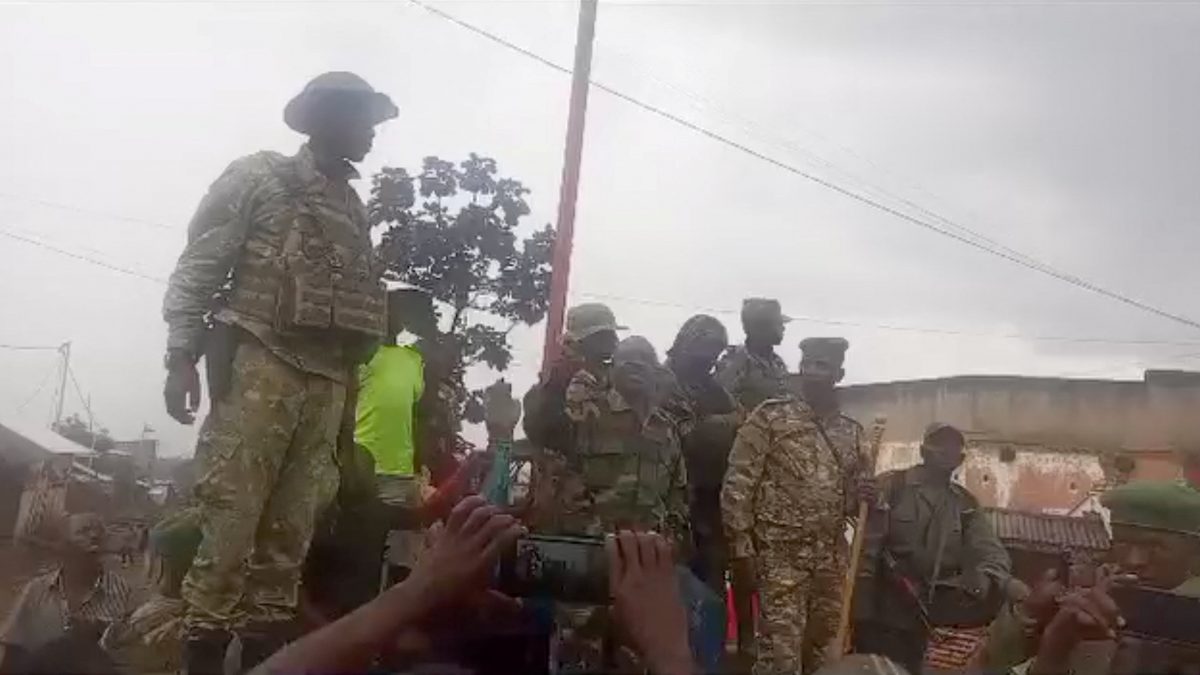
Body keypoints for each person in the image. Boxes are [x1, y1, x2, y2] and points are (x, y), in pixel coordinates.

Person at [161, 71, 398, 673]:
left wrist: (345, 406)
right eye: (362, 119)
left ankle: (265, 658)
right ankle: (202, 658)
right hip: (262, 362)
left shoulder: (351, 206)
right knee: (229, 528)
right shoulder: (259, 178)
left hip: (327, 381)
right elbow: (201, 265)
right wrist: (181, 356)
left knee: (289, 541)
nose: (371, 133)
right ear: (328, 118)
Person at [722, 337, 867, 675]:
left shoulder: (853, 433)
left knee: (823, 657)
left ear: (839, 373)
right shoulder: (770, 418)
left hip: (829, 562)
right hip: (780, 559)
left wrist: (865, 495)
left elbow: (849, 504)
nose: (814, 373)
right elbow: (738, 485)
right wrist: (741, 549)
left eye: (824, 366)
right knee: (780, 659)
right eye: (809, 364)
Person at [991, 480, 1200, 675]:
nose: (1134, 560)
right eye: (1123, 542)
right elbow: (991, 665)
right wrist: (1033, 620)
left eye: (1157, 546)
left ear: (1193, 550)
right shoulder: (1094, 602)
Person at [850, 422, 1011, 675]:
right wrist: (857, 496)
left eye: (952, 448)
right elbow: (854, 519)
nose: (946, 453)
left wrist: (985, 578)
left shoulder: (964, 504)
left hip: (926, 613)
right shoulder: (892, 485)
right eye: (939, 445)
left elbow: (989, 550)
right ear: (923, 451)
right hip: (879, 608)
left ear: (961, 459)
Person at [0, 513, 134, 675]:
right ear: (63, 545)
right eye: (83, 531)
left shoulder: (124, 592)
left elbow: (131, 658)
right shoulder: (36, 590)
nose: (94, 536)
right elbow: (14, 649)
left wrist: (103, 636)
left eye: (99, 531)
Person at [665, 316, 739, 596]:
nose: (709, 362)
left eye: (714, 355)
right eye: (704, 354)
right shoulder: (661, 383)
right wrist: (728, 423)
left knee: (711, 590)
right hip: (671, 501)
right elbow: (686, 435)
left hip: (709, 504)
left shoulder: (714, 390)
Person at [523, 302, 625, 456]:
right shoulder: (566, 374)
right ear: (587, 340)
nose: (615, 340)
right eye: (607, 335)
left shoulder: (604, 371)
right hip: (580, 467)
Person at [715, 297, 790, 414]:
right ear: (763, 327)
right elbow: (720, 398)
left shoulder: (777, 361)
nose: (783, 328)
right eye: (779, 324)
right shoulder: (737, 360)